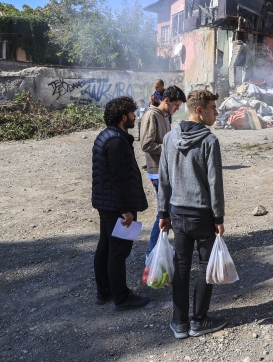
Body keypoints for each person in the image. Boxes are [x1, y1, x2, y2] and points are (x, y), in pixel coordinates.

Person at [158, 90, 228, 339]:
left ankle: (179, 323)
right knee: (204, 266)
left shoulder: (169, 137)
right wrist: (219, 218)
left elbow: (163, 178)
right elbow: (214, 183)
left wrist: (162, 212)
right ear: (199, 110)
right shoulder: (209, 141)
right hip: (202, 215)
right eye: (213, 108)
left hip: (177, 212)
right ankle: (198, 321)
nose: (216, 112)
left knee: (181, 266)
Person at [91, 96, 150, 311]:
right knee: (118, 251)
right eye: (133, 113)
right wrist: (126, 210)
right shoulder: (115, 141)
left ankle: (104, 292)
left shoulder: (107, 136)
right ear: (124, 116)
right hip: (117, 206)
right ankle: (122, 298)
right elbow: (118, 178)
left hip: (106, 203)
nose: (135, 117)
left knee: (106, 246)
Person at [141, 86, 186, 263]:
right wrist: (169, 148)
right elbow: (146, 144)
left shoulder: (165, 115)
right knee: (164, 212)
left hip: (165, 171)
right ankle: (152, 254)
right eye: (175, 105)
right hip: (157, 172)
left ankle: (162, 249)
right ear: (166, 100)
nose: (177, 109)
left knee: (168, 210)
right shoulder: (152, 115)